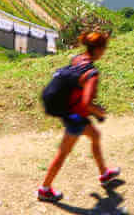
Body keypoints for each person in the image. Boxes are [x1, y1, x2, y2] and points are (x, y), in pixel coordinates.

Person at [37, 30, 121, 202]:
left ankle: (104, 174)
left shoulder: (77, 59)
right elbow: (87, 103)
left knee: (95, 136)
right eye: (104, 48)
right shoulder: (92, 73)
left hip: (69, 109)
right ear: (98, 49)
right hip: (73, 116)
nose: (104, 52)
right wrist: (99, 111)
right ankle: (44, 189)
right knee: (63, 152)